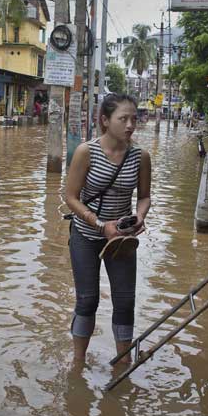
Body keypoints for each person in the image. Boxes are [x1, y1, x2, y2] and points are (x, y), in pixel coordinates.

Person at [65, 93, 152, 365]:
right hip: (87, 234)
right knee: (88, 299)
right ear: (105, 120)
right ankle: (78, 361)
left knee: (125, 301)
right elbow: (70, 196)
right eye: (122, 119)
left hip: (122, 239)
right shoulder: (86, 152)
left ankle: (123, 362)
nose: (129, 125)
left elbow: (144, 196)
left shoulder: (140, 156)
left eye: (133, 120)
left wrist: (138, 216)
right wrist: (100, 225)